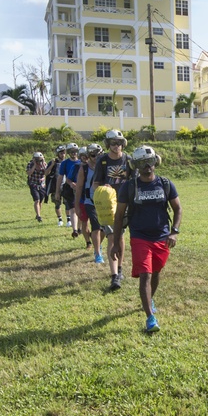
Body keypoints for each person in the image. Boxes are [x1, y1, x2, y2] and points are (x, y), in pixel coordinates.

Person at [112, 145, 181, 333]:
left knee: (156, 273)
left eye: (150, 162)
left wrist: (174, 231)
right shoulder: (129, 187)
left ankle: (150, 299)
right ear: (136, 166)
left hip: (162, 236)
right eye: (142, 163)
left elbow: (177, 209)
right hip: (139, 237)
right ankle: (150, 318)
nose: (147, 167)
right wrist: (116, 242)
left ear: (155, 162)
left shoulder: (166, 184)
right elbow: (118, 216)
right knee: (145, 274)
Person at [91, 129, 130, 291]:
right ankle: (114, 276)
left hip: (125, 204)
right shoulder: (103, 161)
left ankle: (120, 268)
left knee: (120, 237)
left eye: (119, 143)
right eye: (113, 143)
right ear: (108, 145)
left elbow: (135, 181)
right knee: (112, 237)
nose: (117, 146)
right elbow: (95, 184)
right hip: (109, 206)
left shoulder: (128, 160)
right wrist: (102, 190)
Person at [74, 143, 105, 263]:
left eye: (98, 155)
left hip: (104, 201)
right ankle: (98, 254)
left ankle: (98, 244)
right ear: (88, 156)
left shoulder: (105, 166)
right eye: (93, 155)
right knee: (96, 226)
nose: (96, 157)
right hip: (89, 201)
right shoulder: (84, 168)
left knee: (104, 230)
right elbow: (79, 187)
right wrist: (77, 206)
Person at [55, 142, 81, 236]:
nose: (73, 153)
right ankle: (74, 230)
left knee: (81, 209)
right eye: (71, 151)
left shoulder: (82, 162)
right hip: (69, 188)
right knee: (73, 209)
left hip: (81, 188)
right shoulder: (64, 163)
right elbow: (60, 177)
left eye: (75, 151)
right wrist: (57, 192)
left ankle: (79, 228)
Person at [46, 146, 65, 225]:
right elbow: (46, 173)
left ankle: (69, 219)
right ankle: (60, 219)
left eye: (64, 153)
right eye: (61, 153)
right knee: (57, 204)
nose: (63, 155)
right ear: (58, 154)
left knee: (68, 204)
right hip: (55, 187)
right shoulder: (53, 162)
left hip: (66, 186)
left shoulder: (67, 162)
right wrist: (52, 165)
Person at [26, 151, 49, 221]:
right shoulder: (30, 164)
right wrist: (34, 165)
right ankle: (39, 216)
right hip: (33, 184)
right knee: (37, 200)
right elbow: (29, 173)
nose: (39, 161)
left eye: (40, 159)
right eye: (37, 159)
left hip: (42, 185)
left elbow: (46, 173)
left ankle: (37, 214)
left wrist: (44, 163)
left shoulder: (44, 164)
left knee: (40, 201)